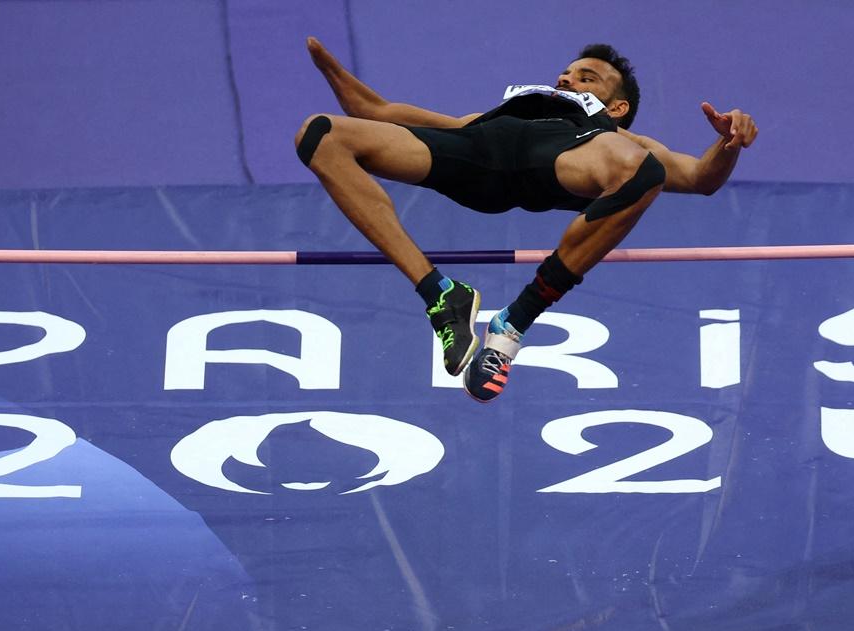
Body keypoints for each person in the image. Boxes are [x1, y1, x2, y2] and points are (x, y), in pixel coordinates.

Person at [296, 37, 757, 402]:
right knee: (321, 134)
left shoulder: (618, 134)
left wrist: (729, 142)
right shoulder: (490, 114)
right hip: (478, 151)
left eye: (587, 77)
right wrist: (327, 64)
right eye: (566, 72)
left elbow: (700, 177)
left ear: (617, 107)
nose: (567, 78)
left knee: (642, 168)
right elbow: (374, 112)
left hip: (565, 156)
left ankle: (513, 324)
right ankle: (440, 294)